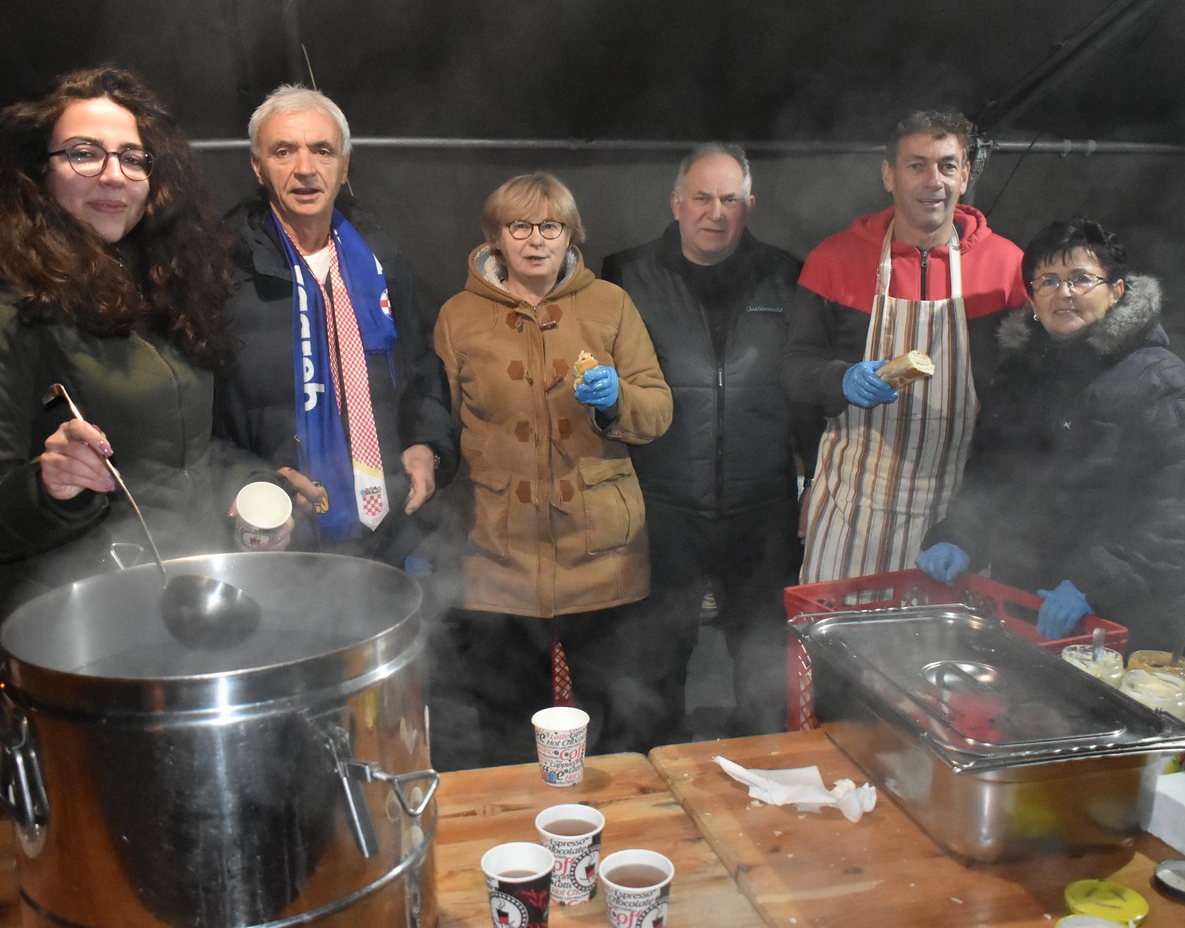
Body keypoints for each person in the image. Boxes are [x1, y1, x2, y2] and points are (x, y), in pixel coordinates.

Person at [0, 66, 283, 685]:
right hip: (72, 649)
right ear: (35, 171)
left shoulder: (154, 288)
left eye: (134, 158)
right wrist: (49, 488)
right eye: (84, 154)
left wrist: (250, 485)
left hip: (180, 621)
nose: (113, 175)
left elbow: (177, 456)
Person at [433, 172, 672, 767]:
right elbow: (438, 424)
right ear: (495, 237)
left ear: (570, 236)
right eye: (519, 226)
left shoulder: (610, 304)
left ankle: (616, 840)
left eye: (551, 227)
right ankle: (520, 847)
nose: (536, 240)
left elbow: (658, 410)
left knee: (617, 727)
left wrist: (618, 400)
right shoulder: (459, 317)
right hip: (496, 560)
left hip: (603, 559)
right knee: (506, 732)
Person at [917, 220, 1185, 653]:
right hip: (1034, 605)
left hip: (1134, 621)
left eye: (1082, 279)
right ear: (1031, 297)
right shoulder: (1016, 375)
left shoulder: (1160, 380)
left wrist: (1092, 583)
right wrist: (958, 536)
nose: (1065, 293)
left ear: (1117, 290)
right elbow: (992, 477)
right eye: (1049, 281)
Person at [601, 144, 806, 742]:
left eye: (730, 199)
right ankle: (657, 787)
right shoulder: (625, 274)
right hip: (663, 507)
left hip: (762, 508)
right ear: (676, 202)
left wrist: (814, 479)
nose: (715, 213)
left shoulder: (786, 274)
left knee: (765, 665)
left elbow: (806, 390)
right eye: (702, 198)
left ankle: (763, 788)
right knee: (653, 668)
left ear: (749, 205)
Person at [214, 85, 455, 567]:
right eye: (284, 151)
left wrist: (426, 443)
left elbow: (420, 366)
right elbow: (195, 421)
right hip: (278, 528)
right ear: (258, 166)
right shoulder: (219, 269)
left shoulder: (379, 256)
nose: (305, 168)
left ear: (344, 166)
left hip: (385, 526)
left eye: (322, 150)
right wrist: (249, 485)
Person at [782, 110, 1026, 583]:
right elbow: (794, 368)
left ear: (966, 175)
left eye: (947, 165)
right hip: (853, 509)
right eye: (917, 165)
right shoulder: (834, 260)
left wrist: (979, 524)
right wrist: (841, 378)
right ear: (888, 175)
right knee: (837, 651)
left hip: (958, 517)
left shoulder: (1006, 267)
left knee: (941, 656)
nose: (934, 181)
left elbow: (1021, 400)